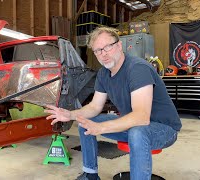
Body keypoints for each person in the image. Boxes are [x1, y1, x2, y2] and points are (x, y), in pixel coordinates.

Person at [44, 27, 182, 180]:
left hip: (164, 128)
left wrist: (101, 127)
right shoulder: (103, 74)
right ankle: (91, 175)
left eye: (107, 47)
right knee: (85, 123)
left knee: (138, 132)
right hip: (133, 125)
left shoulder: (137, 69)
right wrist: (70, 115)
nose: (103, 54)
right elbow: (95, 107)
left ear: (119, 45)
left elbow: (141, 117)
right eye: (97, 51)